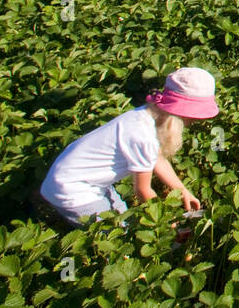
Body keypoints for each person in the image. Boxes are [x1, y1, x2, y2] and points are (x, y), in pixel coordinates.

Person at [37, 67, 218, 227]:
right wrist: (165, 222)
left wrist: (182, 191)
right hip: (72, 189)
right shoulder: (143, 135)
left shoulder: (146, 116)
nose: (193, 122)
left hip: (86, 179)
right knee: (114, 236)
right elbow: (142, 190)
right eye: (192, 118)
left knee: (126, 221)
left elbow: (158, 159)